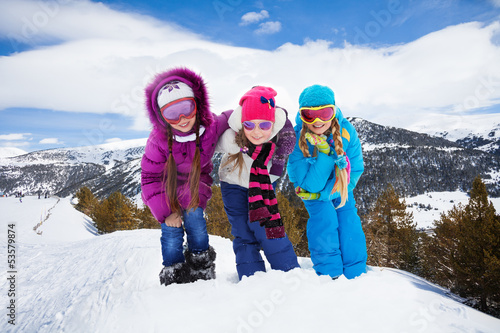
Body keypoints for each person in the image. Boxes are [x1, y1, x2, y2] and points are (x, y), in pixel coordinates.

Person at [141, 67, 232, 286]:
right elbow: (150, 178)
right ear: (161, 116)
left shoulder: (209, 126)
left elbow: (233, 116)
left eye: (186, 108)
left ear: (197, 105)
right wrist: (166, 212)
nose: (182, 119)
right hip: (166, 191)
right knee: (171, 234)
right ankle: (175, 272)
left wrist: (260, 104)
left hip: (194, 187)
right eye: (172, 113)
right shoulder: (159, 141)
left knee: (196, 222)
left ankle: (201, 266)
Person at [216, 86, 300, 280]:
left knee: (268, 227)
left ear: (273, 124)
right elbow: (217, 143)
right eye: (249, 125)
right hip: (233, 183)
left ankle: (289, 273)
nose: (256, 132)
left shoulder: (279, 136)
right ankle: (251, 278)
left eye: (264, 125)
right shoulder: (232, 136)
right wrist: (235, 140)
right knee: (242, 231)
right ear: (241, 123)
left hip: (262, 185)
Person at [287, 84, 367, 279]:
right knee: (325, 221)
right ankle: (330, 275)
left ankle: (356, 274)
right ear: (302, 115)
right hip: (311, 193)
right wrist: (325, 155)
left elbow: (355, 169)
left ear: (333, 111)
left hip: (341, 189)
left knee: (349, 222)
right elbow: (309, 186)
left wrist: (329, 192)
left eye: (324, 113)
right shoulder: (297, 139)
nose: (317, 121)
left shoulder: (347, 132)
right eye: (309, 115)